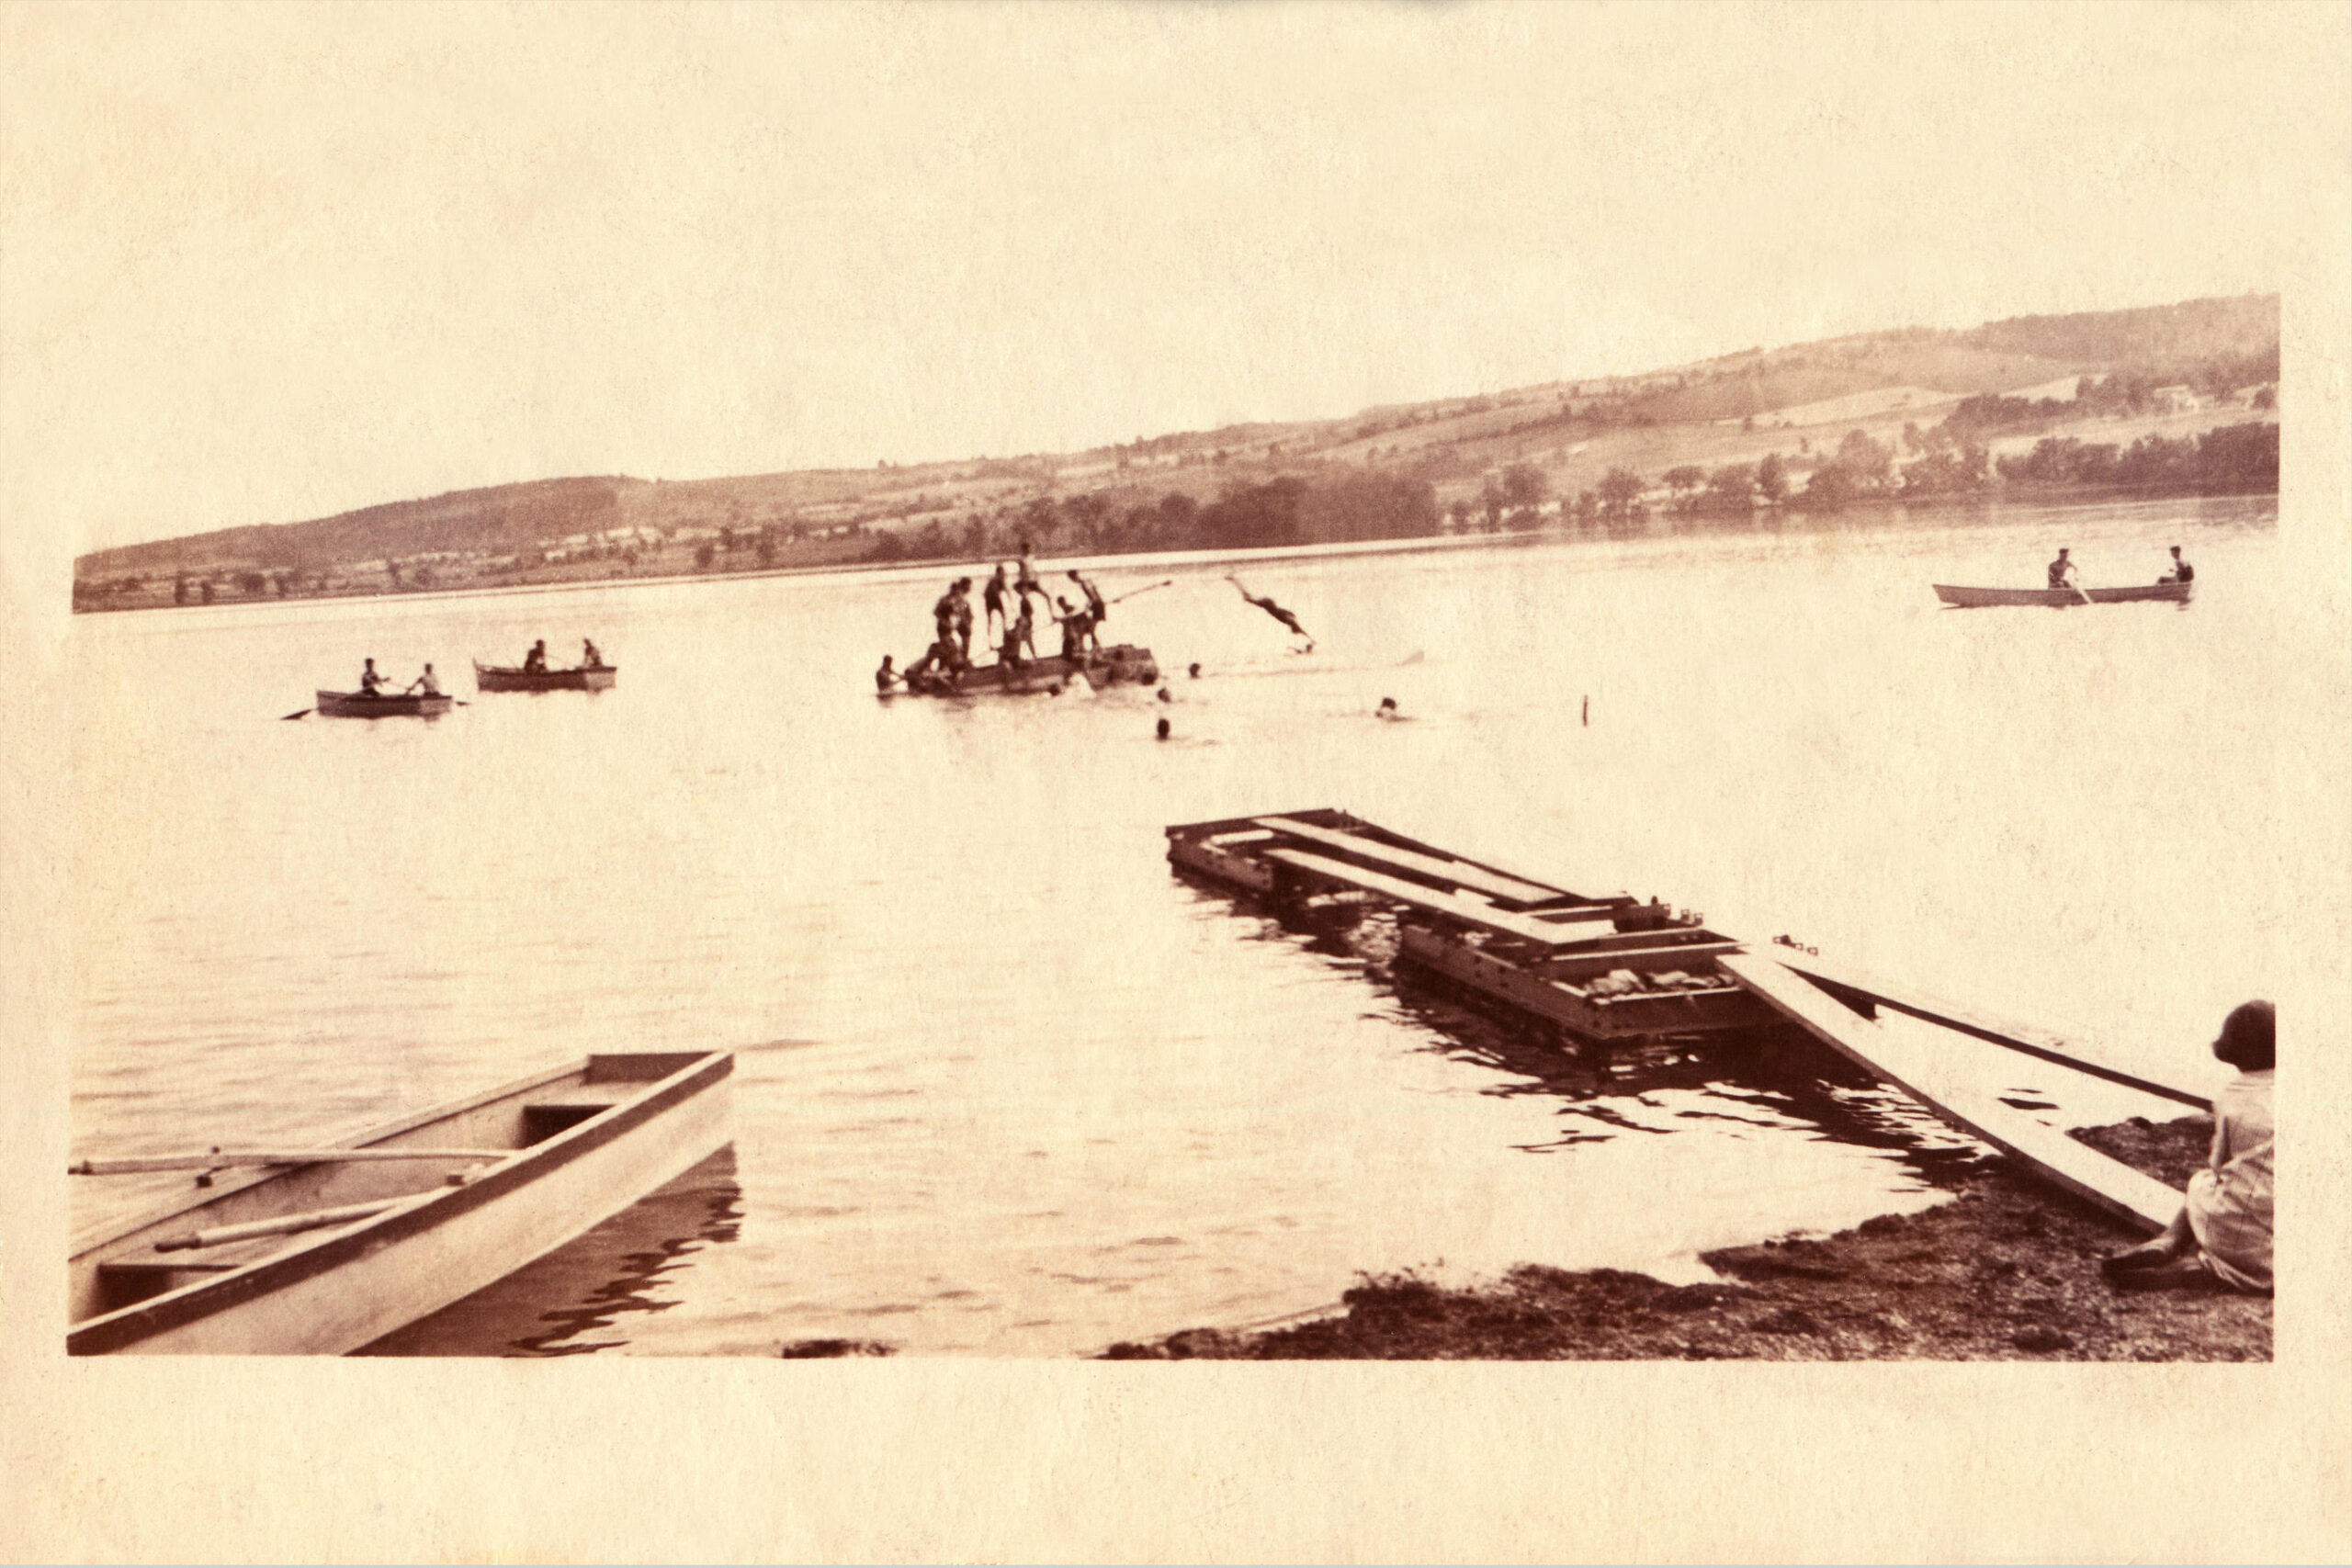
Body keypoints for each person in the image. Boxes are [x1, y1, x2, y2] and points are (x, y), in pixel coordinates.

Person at [2101, 1000, 2273, 1294]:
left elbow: (2218, 1164)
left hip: (2233, 1232)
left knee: (2202, 1181)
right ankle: (2196, 1269)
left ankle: (2169, 1241)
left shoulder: (2231, 1097)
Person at [1227, 576, 1314, 649]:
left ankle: (1234, 581)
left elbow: (1295, 621)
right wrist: (1311, 640)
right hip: (1269, 605)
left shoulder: (1291, 621)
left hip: (1271, 604)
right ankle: (1234, 580)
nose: (1292, 632)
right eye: (1293, 631)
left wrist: (1310, 640)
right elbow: (1299, 628)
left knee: (1248, 597)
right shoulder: (1290, 622)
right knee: (1248, 598)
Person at [1069, 570, 1107, 650]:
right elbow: (1095, 593)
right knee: (1091, 629)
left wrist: (1090, 605)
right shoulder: (1088, 581)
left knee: (1091, 629)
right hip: (1098, 604)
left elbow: (1093, 597)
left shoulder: (1083, 584)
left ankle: (1097, 647)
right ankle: (1096, 647)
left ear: (1074, 577)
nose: (1073, 580)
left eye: (1072, 578)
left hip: (1097, 605)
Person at [983, 564, 1011, 643]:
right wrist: (1010, 600)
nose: (1003, 574)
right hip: (993, 599)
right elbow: (1005, 590)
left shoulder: (993, 579)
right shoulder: (998, 579)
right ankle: (1006, 635)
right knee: (1003, 616)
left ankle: (989, 641)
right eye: (1002, 572)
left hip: (989, 599)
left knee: (990, 620)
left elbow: (986, 591)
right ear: (999, 572)